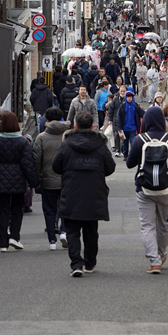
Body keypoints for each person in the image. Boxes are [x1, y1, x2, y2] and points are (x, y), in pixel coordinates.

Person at [126, 107, 168, 273]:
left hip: (144, 189)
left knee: (147, 226)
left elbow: (129, 163)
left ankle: (154, 261)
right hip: (166, 189)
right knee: (163, 225)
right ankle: (161, 255)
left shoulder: (140, 139)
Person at [53, 111, 115, 277]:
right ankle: (89, 262)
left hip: (71, 190)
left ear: (75, 126)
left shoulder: (66, 144)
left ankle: (76, 264)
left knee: (72, 230)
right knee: (91, 230)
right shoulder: (100, 145)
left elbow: (56, 166)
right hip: (94, 192)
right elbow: (110, 167)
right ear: (93, 126)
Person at [0, 111, 39, 252]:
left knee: (2, 212)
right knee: (17, 210)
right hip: (18, 181)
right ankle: (14, 237)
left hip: (0, 182)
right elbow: (28, 164)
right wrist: (34, 181)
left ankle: (3, 244)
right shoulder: (22, 141)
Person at [31, 107, 68, 249]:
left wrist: (37, 179)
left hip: (47, 179)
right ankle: (64, 231)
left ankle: (52, 240)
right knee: (65, 207)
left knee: (49, 209)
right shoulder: (68, 135)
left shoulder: (41, 138)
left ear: (46, 120)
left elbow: (36, 161)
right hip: (66, 179)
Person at [118, 91, 144, 159]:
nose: (129, 98)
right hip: (124, 128)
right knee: (125, 143)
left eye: (130, 97)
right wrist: (119, 128)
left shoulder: (135, 106)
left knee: (133, 143)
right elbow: (119, 117)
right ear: (126, 97)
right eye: (128, 97)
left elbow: (143, 114)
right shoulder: (122, 106)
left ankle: (132, 155)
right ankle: (125, 155)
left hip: (133, 127)